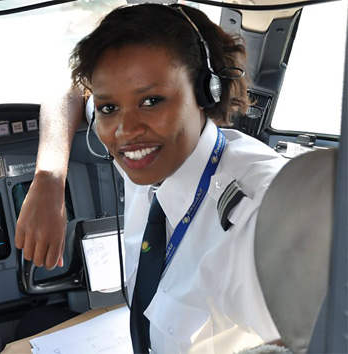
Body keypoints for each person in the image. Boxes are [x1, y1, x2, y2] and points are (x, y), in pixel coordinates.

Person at [14, 3, 288, 353]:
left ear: (207, 92)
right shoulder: (154, 157)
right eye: (108, 108)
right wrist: (49, 179)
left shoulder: (264, 210)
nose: (125, 132)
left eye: (152, 101)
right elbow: (67, 92)